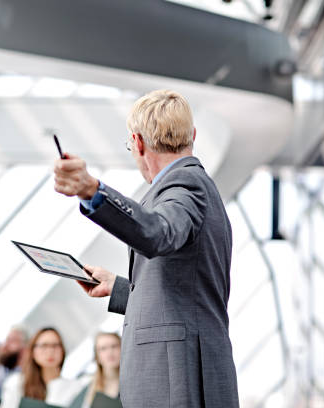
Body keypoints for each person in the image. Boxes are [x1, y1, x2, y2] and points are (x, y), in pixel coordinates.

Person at [53, 89, 239, 408]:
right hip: (183, 374)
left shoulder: (185, 186)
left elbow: (157, 233)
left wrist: (92, 191)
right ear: (191, 135)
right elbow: (186, 294)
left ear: (138, 143)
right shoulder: (194, 187)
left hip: (178, 380)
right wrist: (119, 289)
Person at [0, 328, 84, 408]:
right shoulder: (17, 382)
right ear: (33, 351)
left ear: (63, 351)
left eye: (55, 346)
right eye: (44, 346)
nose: (50, 351)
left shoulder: (75, 388)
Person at [77, 333, 120, 408]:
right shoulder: (90, 389)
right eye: (103, 349)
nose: (110, 352)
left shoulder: (137, 377)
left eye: (114, 346)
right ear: (97, 357)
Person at [0, 325, 28, 402]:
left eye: (12, 341)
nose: (5, 345)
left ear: (25, 348)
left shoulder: (26, 377)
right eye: (6, 340)